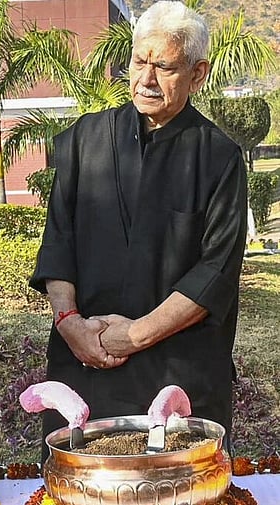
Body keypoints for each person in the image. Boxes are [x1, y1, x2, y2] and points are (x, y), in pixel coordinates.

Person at [29, 1, 246, 455]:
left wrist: (135, 334)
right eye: (139, 61)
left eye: (164, 67)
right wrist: (69, 324)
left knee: (178, 485)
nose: (146, 79)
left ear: (197, 74)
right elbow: (58, 242)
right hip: (84, 369)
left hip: (176, 379)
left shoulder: (219, 157)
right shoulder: (84, 140)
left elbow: (215, 274)